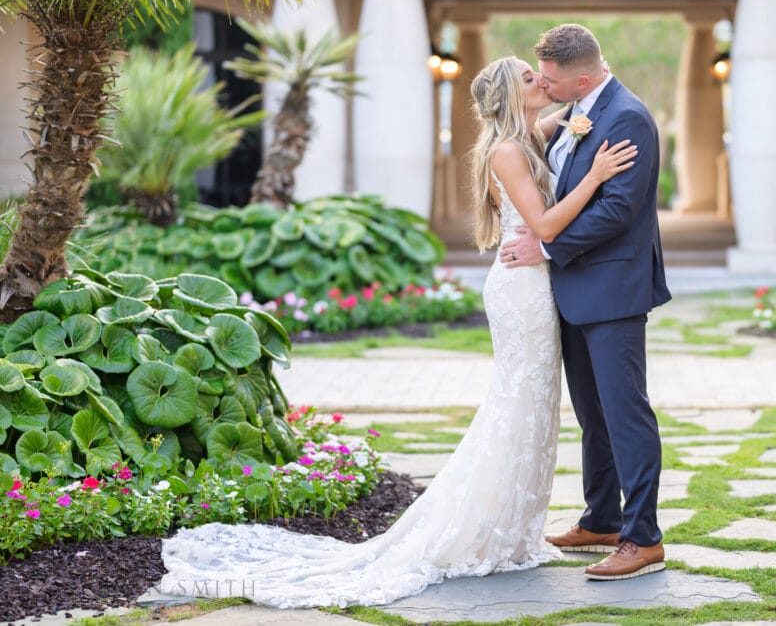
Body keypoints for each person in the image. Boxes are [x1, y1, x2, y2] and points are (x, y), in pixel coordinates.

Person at [156, 55, 637, 608]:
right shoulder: (506, 150)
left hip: (537, 284)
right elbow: (547, 224)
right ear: (510, 95)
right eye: (531, 78)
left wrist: (590, 80)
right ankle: (471, 531)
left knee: (534, 407)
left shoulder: (535, 133)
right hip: (522, 290)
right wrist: (598, 176)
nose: (542, 83)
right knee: (518, 404)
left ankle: (509, 529)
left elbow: (582, 103)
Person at [500, 24, 671, 581]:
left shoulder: (627, 117)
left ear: (582, 76)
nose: (544, 87)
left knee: (626, 415)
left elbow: (617, 211)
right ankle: (601, 518)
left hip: (613, 290)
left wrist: (547, 247)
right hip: (575, 290)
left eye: (549, 80)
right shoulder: (580, 109)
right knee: (593, 416)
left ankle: (642, 538)